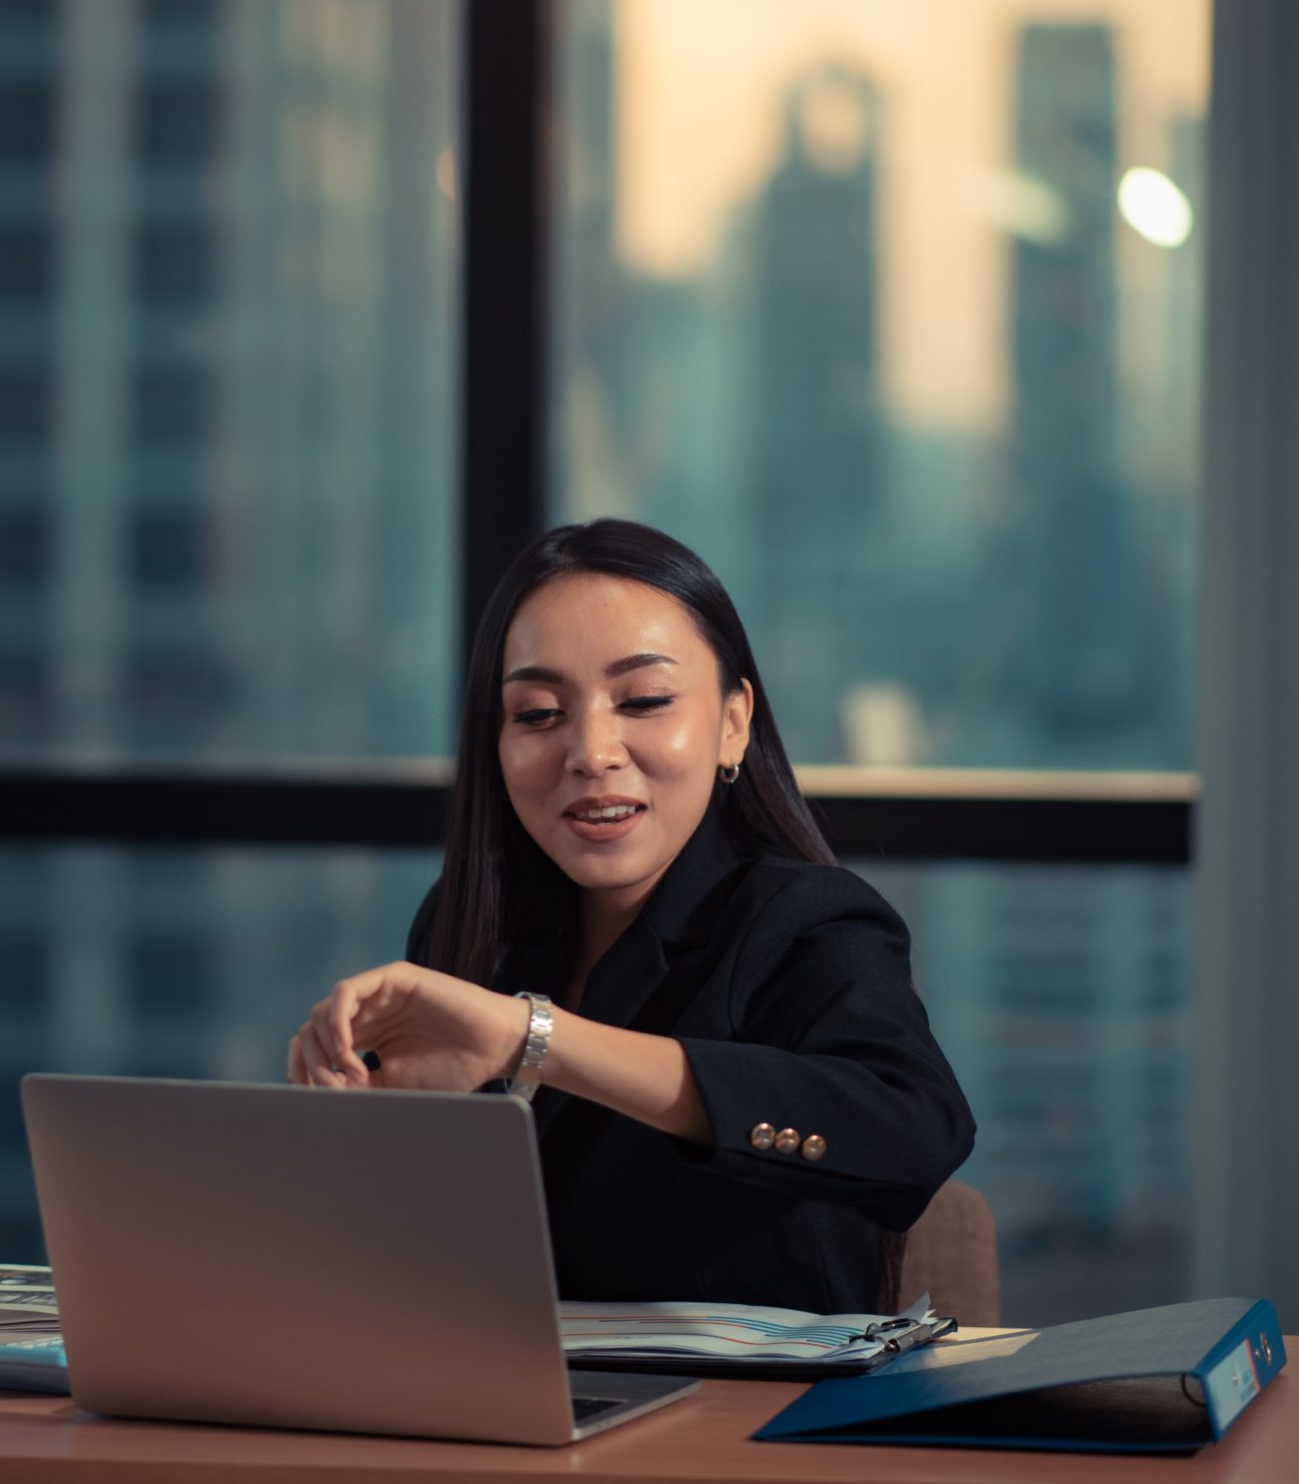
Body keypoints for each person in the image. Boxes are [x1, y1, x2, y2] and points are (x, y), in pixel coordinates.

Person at [287, 519, 974, 1316]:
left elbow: (915, 1134)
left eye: (644, 700)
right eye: (539, 713)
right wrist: (362, 1130)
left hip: (752, 1423)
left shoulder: (806, 920)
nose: (590, 750)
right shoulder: (475, 923)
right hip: (507, 1410)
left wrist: (531, 1037)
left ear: (733, 723)